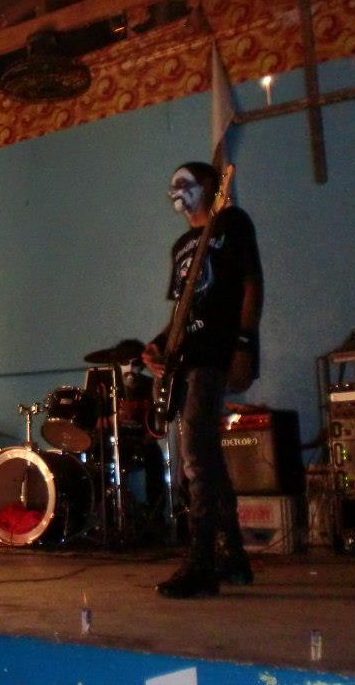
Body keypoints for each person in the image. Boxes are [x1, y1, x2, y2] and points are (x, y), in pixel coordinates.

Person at [142, 161, 263, 598]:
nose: (177, 192)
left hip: (217, 351)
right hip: (186, 358)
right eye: (173, 186)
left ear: (210, 186)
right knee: (204, 454)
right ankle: (232, 556)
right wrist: (158, 345)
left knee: (195, 452)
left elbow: (251, 284)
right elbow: (182, 309)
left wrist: (244, 344)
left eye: (186, 183)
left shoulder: (232, 223)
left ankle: (201, 563)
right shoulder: (181, 246)